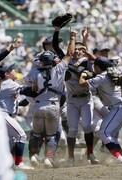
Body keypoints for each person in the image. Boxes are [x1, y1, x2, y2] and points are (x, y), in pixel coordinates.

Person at [26, 29, 77, 168]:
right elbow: (69, 54)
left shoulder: (35, 72)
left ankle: (34, 156)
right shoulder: (59, 69)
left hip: (37, 106)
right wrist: (72, 37)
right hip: (53, 105)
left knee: (36, 135)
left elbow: (32, 88)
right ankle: (48, 158)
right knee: (51, 136)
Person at [79, 57, 122, 163]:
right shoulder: (112, 72)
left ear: (97, 67)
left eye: (95, 66)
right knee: (110, 134)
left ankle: (117, 157)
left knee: (103, 132)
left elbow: (82, 84)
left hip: (118, 108)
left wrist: (83, 75)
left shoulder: (101, 77)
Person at [0, 63, 36, 170]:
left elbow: (19, 102)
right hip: (2, 114)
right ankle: (19, 163)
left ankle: (7, 165)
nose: (14, 70)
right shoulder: (9, 83)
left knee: (10, 142)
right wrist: (39, 87)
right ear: (7, 74)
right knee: (21, 136)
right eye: (11, 69)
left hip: (1, 115)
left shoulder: (5, 84)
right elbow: (27, 91)